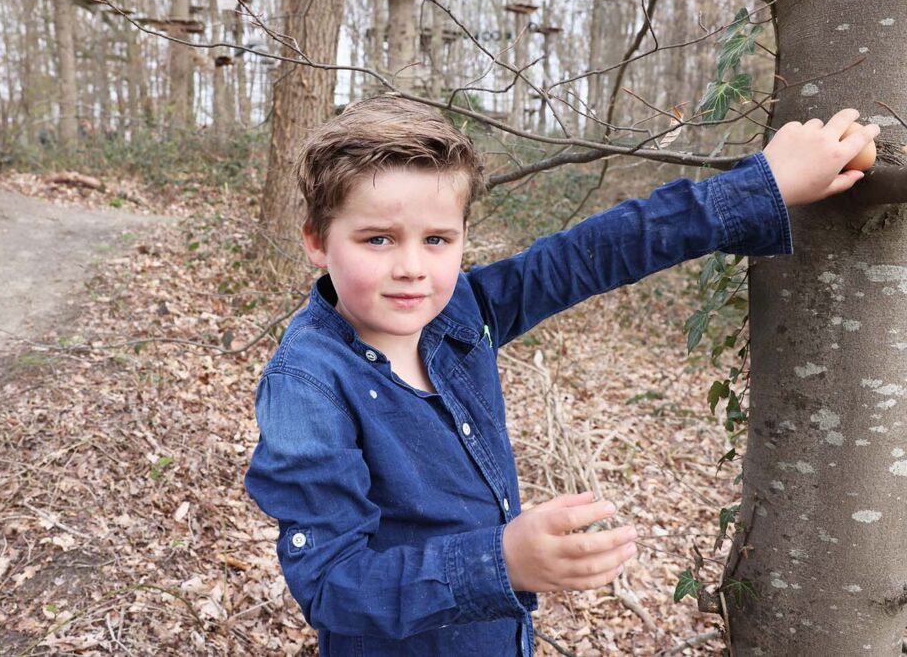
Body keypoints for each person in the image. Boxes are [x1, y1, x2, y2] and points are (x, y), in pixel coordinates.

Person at [243, 97, 880, 656]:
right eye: (378, 239)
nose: (412, 267)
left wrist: (762, 183)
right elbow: (332, 585)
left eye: (437, 239)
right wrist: (504, 561)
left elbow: (595, 251)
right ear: (318, 242)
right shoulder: (308, 385)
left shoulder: (463, 309)